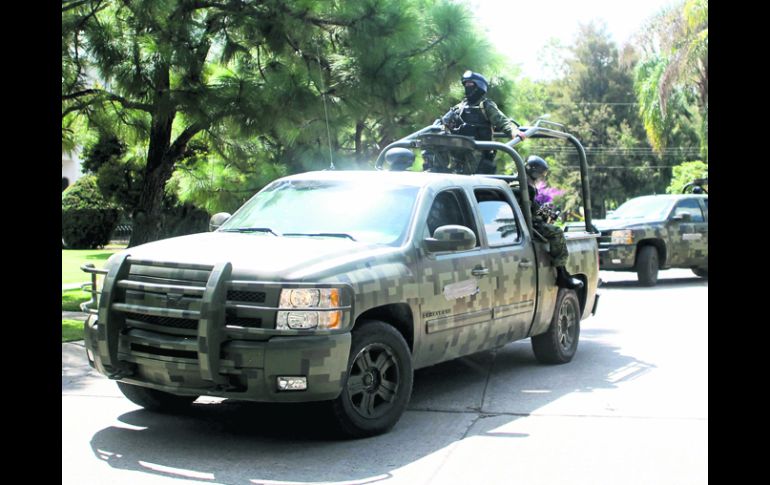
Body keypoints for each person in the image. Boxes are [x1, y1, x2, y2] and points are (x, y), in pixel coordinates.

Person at [424, 70, 525, 174]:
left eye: (470, 84)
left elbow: (502, 121)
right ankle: (437, 171)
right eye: (466, 84)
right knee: (440, 142)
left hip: (478, 149)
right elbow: (443, 122)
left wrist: (514, 131)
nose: (467, 87)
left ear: (479, 86)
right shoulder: (460, 107)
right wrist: (440, 126)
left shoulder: (485, 106)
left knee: (467, 176)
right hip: (460, 147)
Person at [515, 156, 584, 290]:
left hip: (522, 222)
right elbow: (526, 213)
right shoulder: (524, 186)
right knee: (557, 232)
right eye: (541, 173)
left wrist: (543, 212)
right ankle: (561, 274)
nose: (541, 176)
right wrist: (541, 217)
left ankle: (563, 273)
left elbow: (531, 207)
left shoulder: (521, 182)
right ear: (533, 171)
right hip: (525, 225)